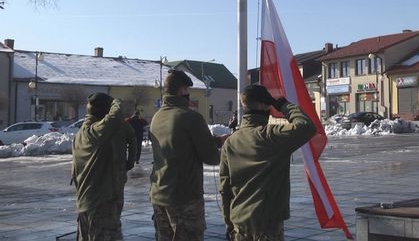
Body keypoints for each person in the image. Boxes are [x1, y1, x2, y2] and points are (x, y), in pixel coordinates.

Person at [219, 85, 316, 240]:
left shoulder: (230, 142)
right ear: (263, 105)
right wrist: (284, 105)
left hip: (239, 223)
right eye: (268, 105)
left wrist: (229, 224)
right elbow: (306, 127)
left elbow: (225, 189)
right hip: (267, 224)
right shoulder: (272, 136)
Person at [149, 69, 228, 241]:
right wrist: (220, 146)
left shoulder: (157, 117)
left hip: (159, 195)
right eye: (187, 90)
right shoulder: (191, 117)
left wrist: (215, 140)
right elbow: (211, 157)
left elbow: (178, 144)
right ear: (182, 90)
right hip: (184, 199)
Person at [72, 93, 124, 241]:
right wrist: (116, 101)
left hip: (85, 203)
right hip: (100, 205)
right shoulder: (94, 133)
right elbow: (115, 117)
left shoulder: (80, 134)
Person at [112, 121, 137, 240]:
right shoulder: (122, 123)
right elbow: (133, 142)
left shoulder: (92, 120)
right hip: (117, 169)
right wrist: (130, 162)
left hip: (95, 174)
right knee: (116, 202)